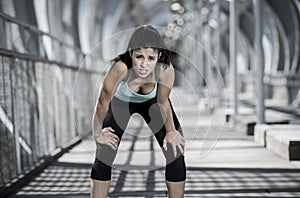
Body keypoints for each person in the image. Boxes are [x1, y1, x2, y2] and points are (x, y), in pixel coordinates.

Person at [90, 25, 186, 198]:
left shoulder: (165, 69)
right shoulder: (120, 67)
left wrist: (171, 132)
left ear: (159, 56)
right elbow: (103, 101)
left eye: (151, 58)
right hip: (121, 103)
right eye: (139, 56)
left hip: (153, 103)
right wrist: (98, 134)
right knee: (104, 152)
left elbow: (163, 101)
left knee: (175, 150)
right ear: (130, 53)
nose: (144, 64)